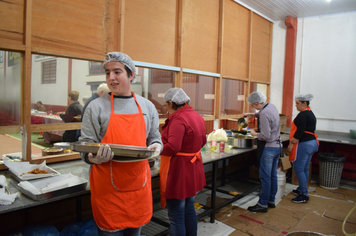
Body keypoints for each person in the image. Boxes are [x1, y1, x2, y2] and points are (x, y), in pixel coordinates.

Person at [79, 52, 162, 235]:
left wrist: (157, 146)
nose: (111, 78)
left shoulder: (147, 106)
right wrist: (94, 158)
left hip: (138, 185)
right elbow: (85, 144)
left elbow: (154, 136)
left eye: (117, 72)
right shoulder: (96, 107)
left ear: (131, 74)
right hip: (107, 190)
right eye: (107, 73)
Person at [160, 87, 206, 236]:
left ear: (171, 102)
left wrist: (155, 150)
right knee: (189, 209)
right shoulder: (196, 116)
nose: (166, 108)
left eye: (166, 105)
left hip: (180, 171)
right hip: (193, 168)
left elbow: (173, 146)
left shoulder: (178, 119)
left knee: (176, 216)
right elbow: (203, 141)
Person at [242, 91, 282, 213]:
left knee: (265, 177)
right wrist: (251, 114)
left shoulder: (264, 113)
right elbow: (263, 114)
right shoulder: (271, 106)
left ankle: (262, 204)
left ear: (256, 103)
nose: (253, 107)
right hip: (277, 146)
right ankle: (271, 201)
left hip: (268, 148)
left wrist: (253, 133)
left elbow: (265, 135)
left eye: (252, 106)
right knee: (272, 175)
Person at [288, 94, 319, 203]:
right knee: (305, 168)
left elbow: (299, 132)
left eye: (297, 103)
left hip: (305, 144)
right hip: (312, 143)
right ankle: (301, 189)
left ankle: (304, 195)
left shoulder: (302, 115)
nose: (295, 105)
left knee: (299, 169)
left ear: (304, 103)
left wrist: (291, 144)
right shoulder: (310, 113)